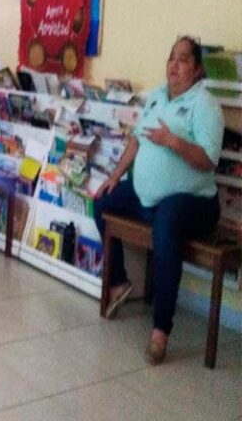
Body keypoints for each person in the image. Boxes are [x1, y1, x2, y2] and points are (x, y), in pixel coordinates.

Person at [94, 36, 223, 365]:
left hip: (194, 202)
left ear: (197, 69)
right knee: (102, 201)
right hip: (146, 196)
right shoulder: (156, 96)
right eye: (171, 58)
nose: (174, 65)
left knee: (166, 226)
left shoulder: (205, 104)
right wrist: (115, 175)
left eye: (183, 59)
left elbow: (209, 160)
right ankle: (119, 281)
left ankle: (161, 330)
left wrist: (173, 142)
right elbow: (136, 141)